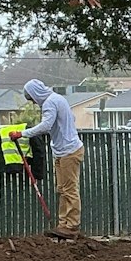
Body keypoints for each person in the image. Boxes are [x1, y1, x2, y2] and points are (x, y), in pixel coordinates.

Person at [19, 79, 84, 237]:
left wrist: (23, 133)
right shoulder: (58, 99)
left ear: (36, 94)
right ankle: (63, 224)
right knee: (62, 189)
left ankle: (72, 225)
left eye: (32, 99)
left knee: (69, 190)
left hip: (69, 150)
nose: (34, 103)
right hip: (62, 150)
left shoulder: (49, 103)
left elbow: (46, 125)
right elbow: (70, 120)